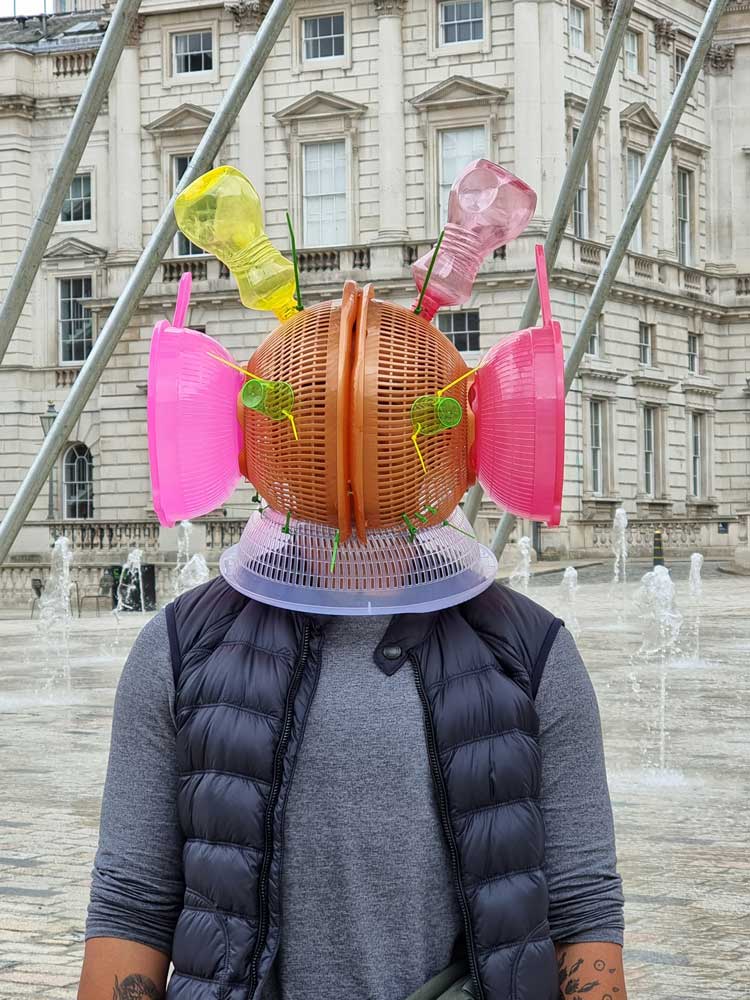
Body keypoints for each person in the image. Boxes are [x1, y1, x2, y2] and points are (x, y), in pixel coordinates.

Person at [78, 161, 626, 1000]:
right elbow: (134, 901)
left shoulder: (531, 652)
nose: (354, 460)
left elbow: (583, 904)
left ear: (248, 436)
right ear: (472, 441)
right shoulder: (181, 647)